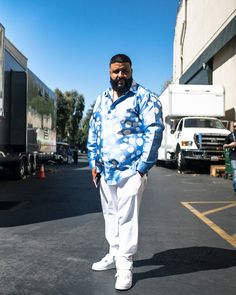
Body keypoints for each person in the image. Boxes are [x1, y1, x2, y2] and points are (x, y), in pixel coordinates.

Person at [87, 54, 164, 290]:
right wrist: (93, 162)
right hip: (105, 171)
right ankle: (113, 254)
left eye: (124, 71)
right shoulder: (101, 99)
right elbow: (93, 131)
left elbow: (154, 131)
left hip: (131, 171)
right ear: (109, 73)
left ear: (131, 71)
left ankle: (125, 267)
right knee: (111, 216)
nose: (120, 76)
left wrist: (141, 170)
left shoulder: (144, 97)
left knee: (127, 219)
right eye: (115, 72)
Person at [223, 122, 236, 194]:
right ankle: (235, 188)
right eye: (234, 126)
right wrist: (230, 145)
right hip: (234, 156)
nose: (235, 128)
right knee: (235, 171)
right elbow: (224, 145)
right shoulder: (230, 136)